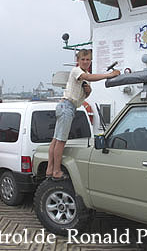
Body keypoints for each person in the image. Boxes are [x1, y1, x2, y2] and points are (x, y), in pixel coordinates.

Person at [46, 49, 121, 180]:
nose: (85, 62)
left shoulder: (85, 74)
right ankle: (56, 171)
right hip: (67, 107)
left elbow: (86, 92)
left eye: (88, 60)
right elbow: (86, 77)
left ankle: (50, 169)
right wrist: (109, 75)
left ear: (90, 61)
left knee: (56, 140)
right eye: (83, 59)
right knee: (61, 141)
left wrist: (88, 90)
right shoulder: (77, 71)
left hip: (66, 106)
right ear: (78, 61)